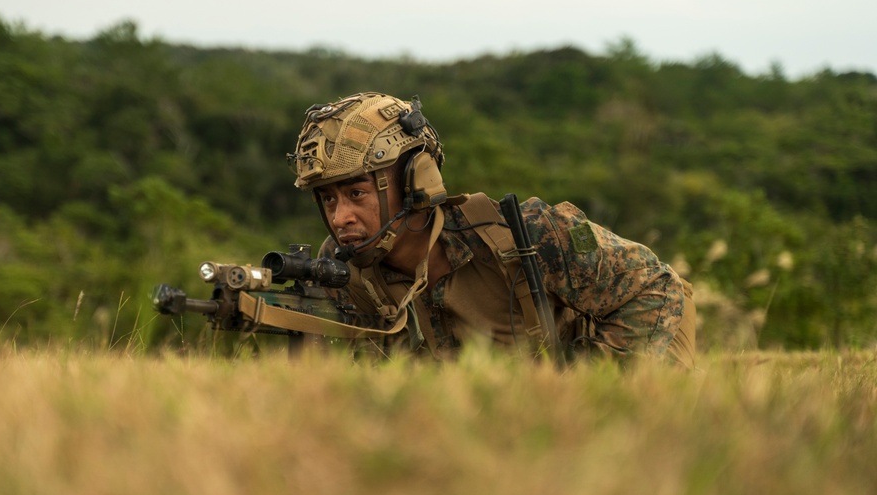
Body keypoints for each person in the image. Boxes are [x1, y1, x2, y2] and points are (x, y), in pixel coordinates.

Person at [287, 92, 696, 367]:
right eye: (328, 199)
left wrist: (583, 387)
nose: (340, 218)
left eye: (356, 193)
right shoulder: (341, 268)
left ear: (417, 182)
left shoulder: (532, 234)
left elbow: (657, 288)